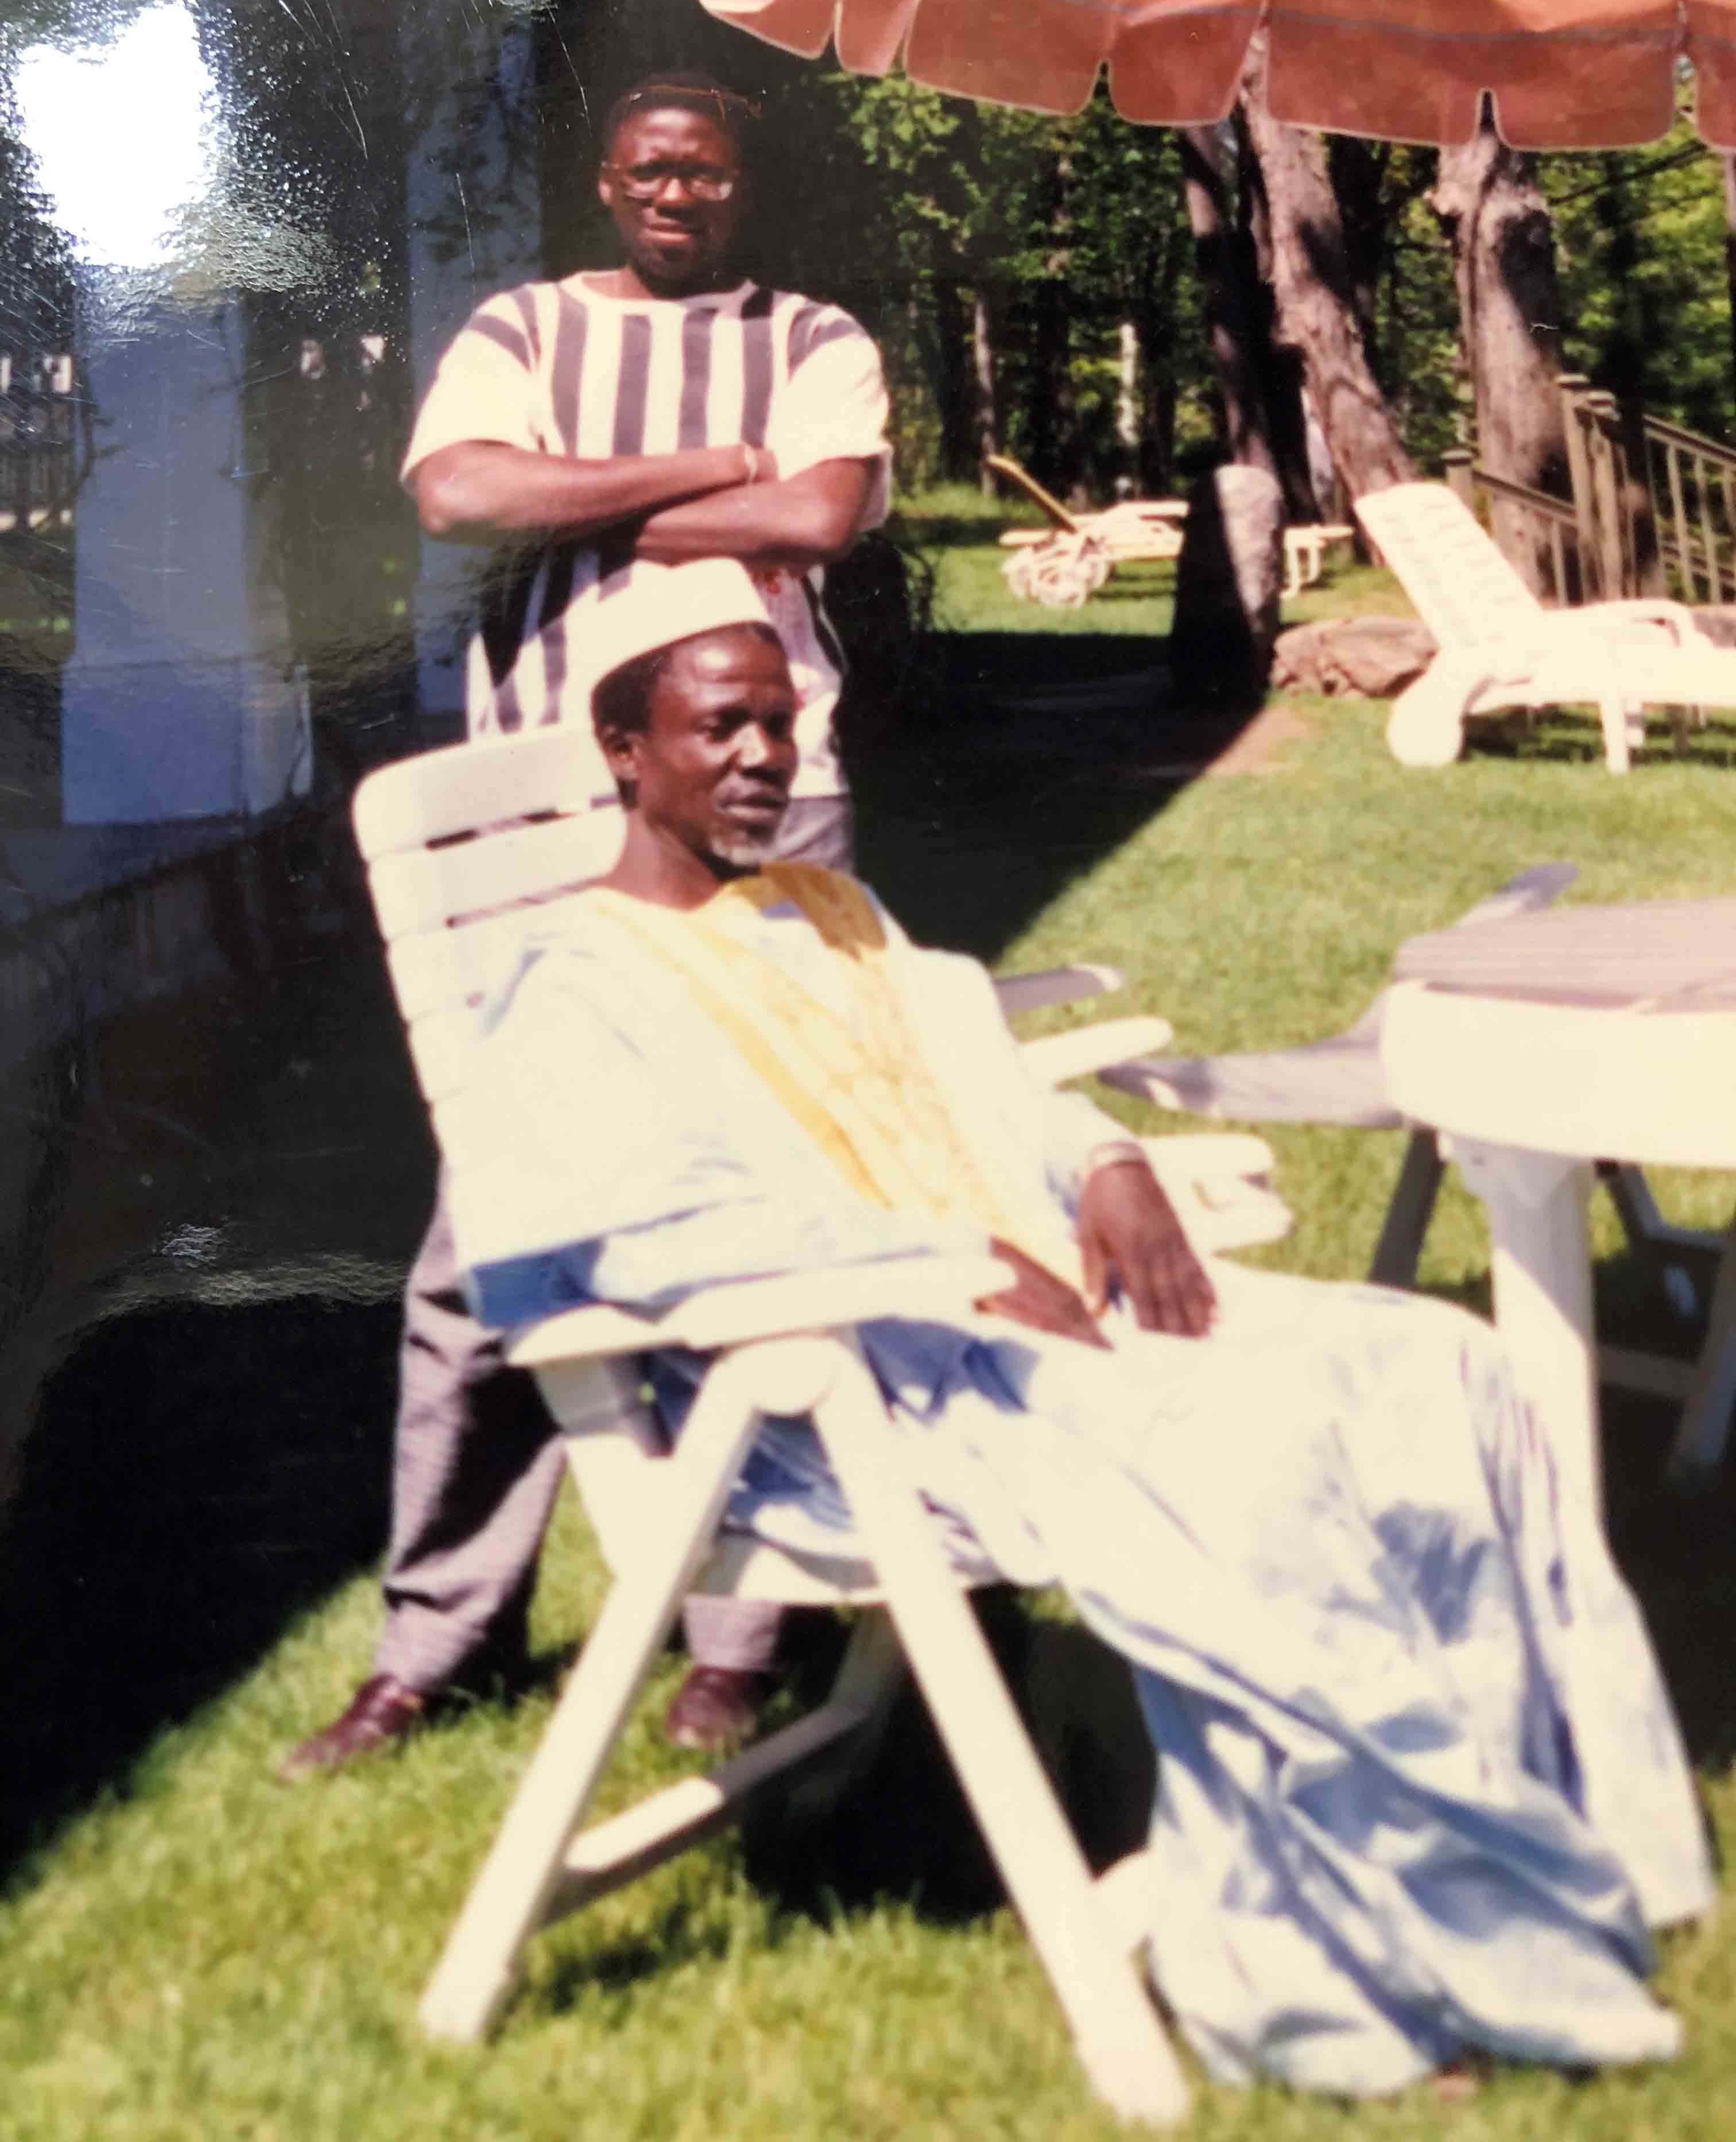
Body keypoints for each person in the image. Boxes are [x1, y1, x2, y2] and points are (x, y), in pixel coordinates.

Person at [445, 563, 1712, 2099]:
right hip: (839, 1394)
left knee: (1434, 1367)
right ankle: (1344, 1974)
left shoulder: (821, 909)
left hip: (1033, 1310)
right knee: (1252, 1466)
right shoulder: (563, 981)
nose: (761, 756)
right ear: (624, 750)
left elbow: (980, 1079)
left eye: (779, 722)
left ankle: (1548, 1849)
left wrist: (1104, 1165)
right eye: (720, 727)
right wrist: (933, 1261)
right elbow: (628, 1227)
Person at [278, 72, 891, 1782]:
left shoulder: (817, 332)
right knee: (495, 1232)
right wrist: (708, 468)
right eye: (651, 170)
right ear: (610, 184)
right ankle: (436, 1644)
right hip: (536, 813)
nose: (679, 194)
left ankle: (744, 1634)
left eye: (707, 170)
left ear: (740, 182)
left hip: (776, 795)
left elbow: (820, 517)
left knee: (760, 1203)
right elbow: (462, 494)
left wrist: (589, 496)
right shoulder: (523, 325)